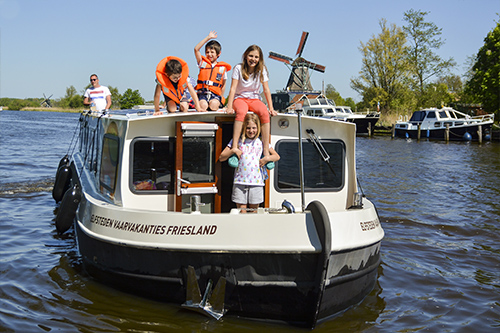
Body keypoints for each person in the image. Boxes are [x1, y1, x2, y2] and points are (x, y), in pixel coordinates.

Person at [225, 45, 277, 162]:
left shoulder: (262, 69)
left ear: (260, 59)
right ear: (245, 56)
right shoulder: (238, 68)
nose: (253, 59)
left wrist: (271, 108)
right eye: (251, 56)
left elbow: (266, 89)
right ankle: (234, 147)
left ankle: (265, 150)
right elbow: (233, 88)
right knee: (241, 112)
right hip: (240, 98)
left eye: (256, 57)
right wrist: (229, 106)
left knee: (264, 112)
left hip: (254, 99)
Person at [220, 113, 280, 213]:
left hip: (256, 183)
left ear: (258, 128)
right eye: (248, 128)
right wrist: (233, 150)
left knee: (253, 212)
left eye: (254, 128)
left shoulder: (262, 142)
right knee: (242, 211)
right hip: (240, 182)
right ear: (244, 128)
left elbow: (277, 156)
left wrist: (267, 159)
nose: (251, 131)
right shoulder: (237, 141)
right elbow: (222, 157)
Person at [194, 31, 232, 111]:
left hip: (215, 95)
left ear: (218, 54)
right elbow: (196, 49)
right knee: (203, 106)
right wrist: (208, 37)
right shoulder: (202, 63)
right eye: (207, 52)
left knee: (214, 105)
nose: (209, 54)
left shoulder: (222, 68)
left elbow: (223, 84)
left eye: (212, 52)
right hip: (202, 93)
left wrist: (221, 96)